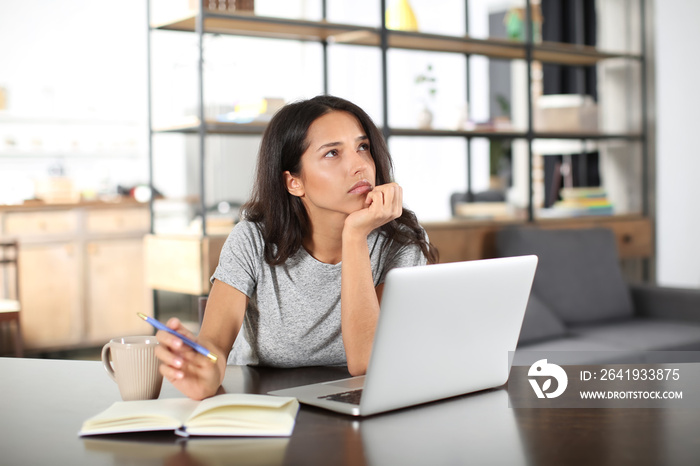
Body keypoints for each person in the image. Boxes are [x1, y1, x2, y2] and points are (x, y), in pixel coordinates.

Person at [155, 95, 438, 400]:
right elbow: (214, 345)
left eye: (362, 147)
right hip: (265, 406)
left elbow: (367, 361)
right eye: (332, 153)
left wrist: (355, 236)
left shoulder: (399, 240)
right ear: (294, 183)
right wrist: (204, 368)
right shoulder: (251, 240)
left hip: (356, 407)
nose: (359, 166)